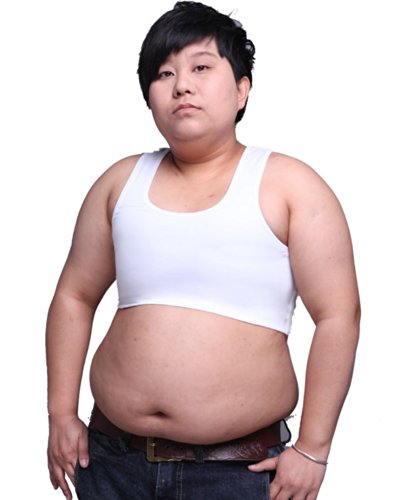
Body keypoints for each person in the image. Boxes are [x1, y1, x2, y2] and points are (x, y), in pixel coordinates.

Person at [46, 2, 360, 499]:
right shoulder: (119, 183)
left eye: (201, 68)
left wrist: (313, 448)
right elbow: (74, 297)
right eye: (164, 73)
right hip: (112, 461)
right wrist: (61, 414)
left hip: (235, 473)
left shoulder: (290, 185)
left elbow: (339, 315)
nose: (181, 86)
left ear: (242, 89)